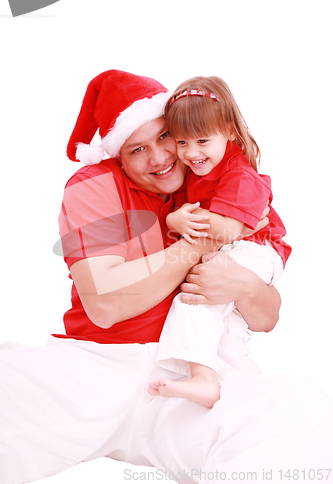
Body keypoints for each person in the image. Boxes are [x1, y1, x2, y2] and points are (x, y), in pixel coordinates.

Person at [1, 70, 333, 484]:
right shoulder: (94, 185)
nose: (159, 157)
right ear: (117, 155)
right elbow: (105, 305)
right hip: (99, 364)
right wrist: (199, 244)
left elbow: (266, 318)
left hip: (195, 371)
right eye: (137, 149)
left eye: (164, 137)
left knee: (297, 406)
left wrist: (244, 285)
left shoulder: (217, 179)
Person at [148, 76, 291, 409]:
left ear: (229, 130)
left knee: (197, 296)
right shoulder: (195, 175)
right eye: (182, 142)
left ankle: (202, 379)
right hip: (239, 248)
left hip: (259, 249)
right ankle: (247, 388)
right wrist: (173, 218)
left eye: (202, 140)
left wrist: (177, 219)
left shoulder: (241, 175)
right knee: (226, 328)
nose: (192, 152)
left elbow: (229, 230)